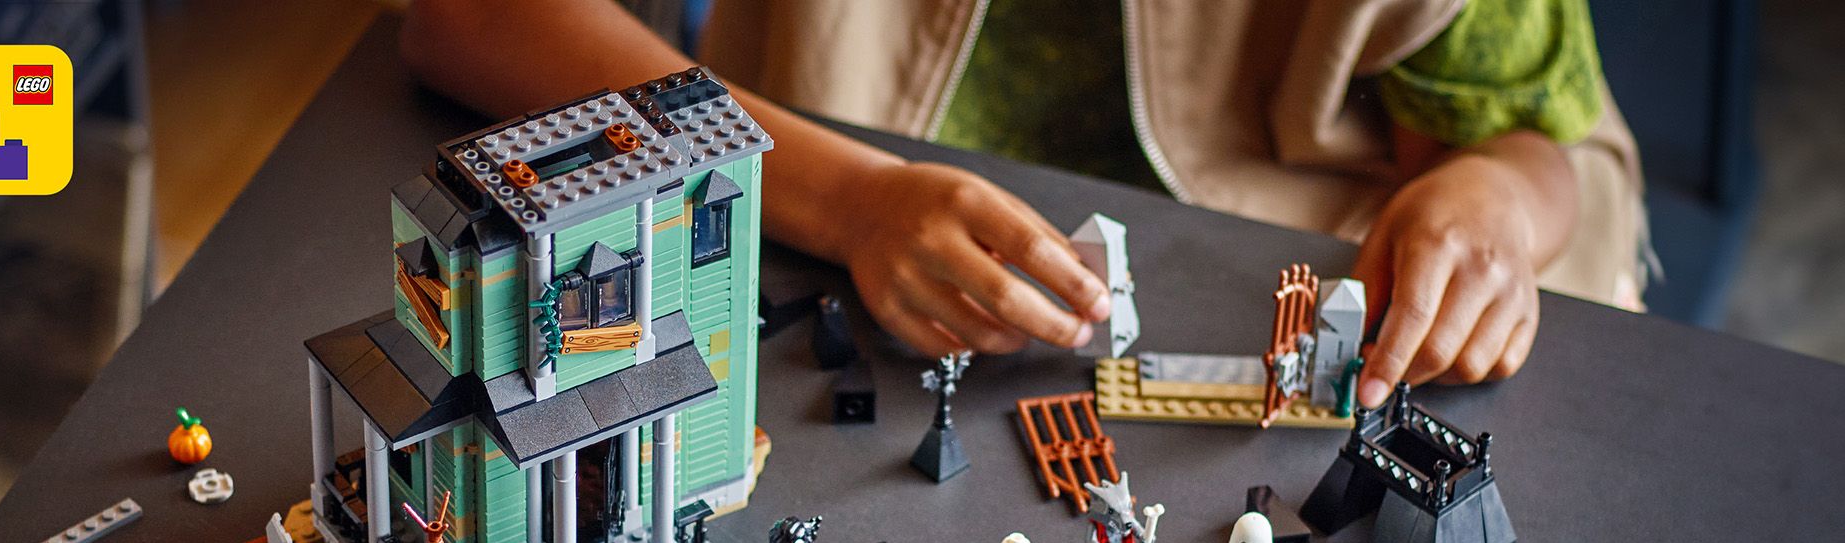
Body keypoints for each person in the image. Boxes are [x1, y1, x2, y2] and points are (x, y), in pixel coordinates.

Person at [402, 0, 1646, 407]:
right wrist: (853, 200)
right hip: (808, 223)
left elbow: (1535, 145)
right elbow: (473, 17)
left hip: (1295, 278)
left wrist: (1492, 194)